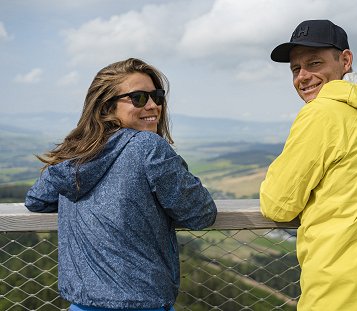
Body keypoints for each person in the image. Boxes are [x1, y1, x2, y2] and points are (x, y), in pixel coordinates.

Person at [25, 58, 217, 311]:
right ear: (107, 107)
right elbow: (201, 214)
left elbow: (37, 200)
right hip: (142, 302)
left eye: (157, 96)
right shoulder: (148, 147)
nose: (153, 105)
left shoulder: (77, 155)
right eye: (138, 98)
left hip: (81, 303)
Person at [260, 20, 357, 310]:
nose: (303, 77)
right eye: (296, 69)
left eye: (314, 63)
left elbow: (278, 204)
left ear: (345, 60)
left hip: (342, 290)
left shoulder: (321, 113)